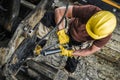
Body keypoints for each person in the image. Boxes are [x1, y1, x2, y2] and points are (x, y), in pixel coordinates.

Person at [38, 4, 117, 73]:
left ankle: (67, 71)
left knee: (72, 65)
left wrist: (71, 53)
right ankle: (38, 44)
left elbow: (90, 50)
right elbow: (59, 11)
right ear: (93, 17)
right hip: (68, 28)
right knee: (48, 17)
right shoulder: (90, 10)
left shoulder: (106, 36)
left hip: (80, 42)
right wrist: (61, 32)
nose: (87, 31)